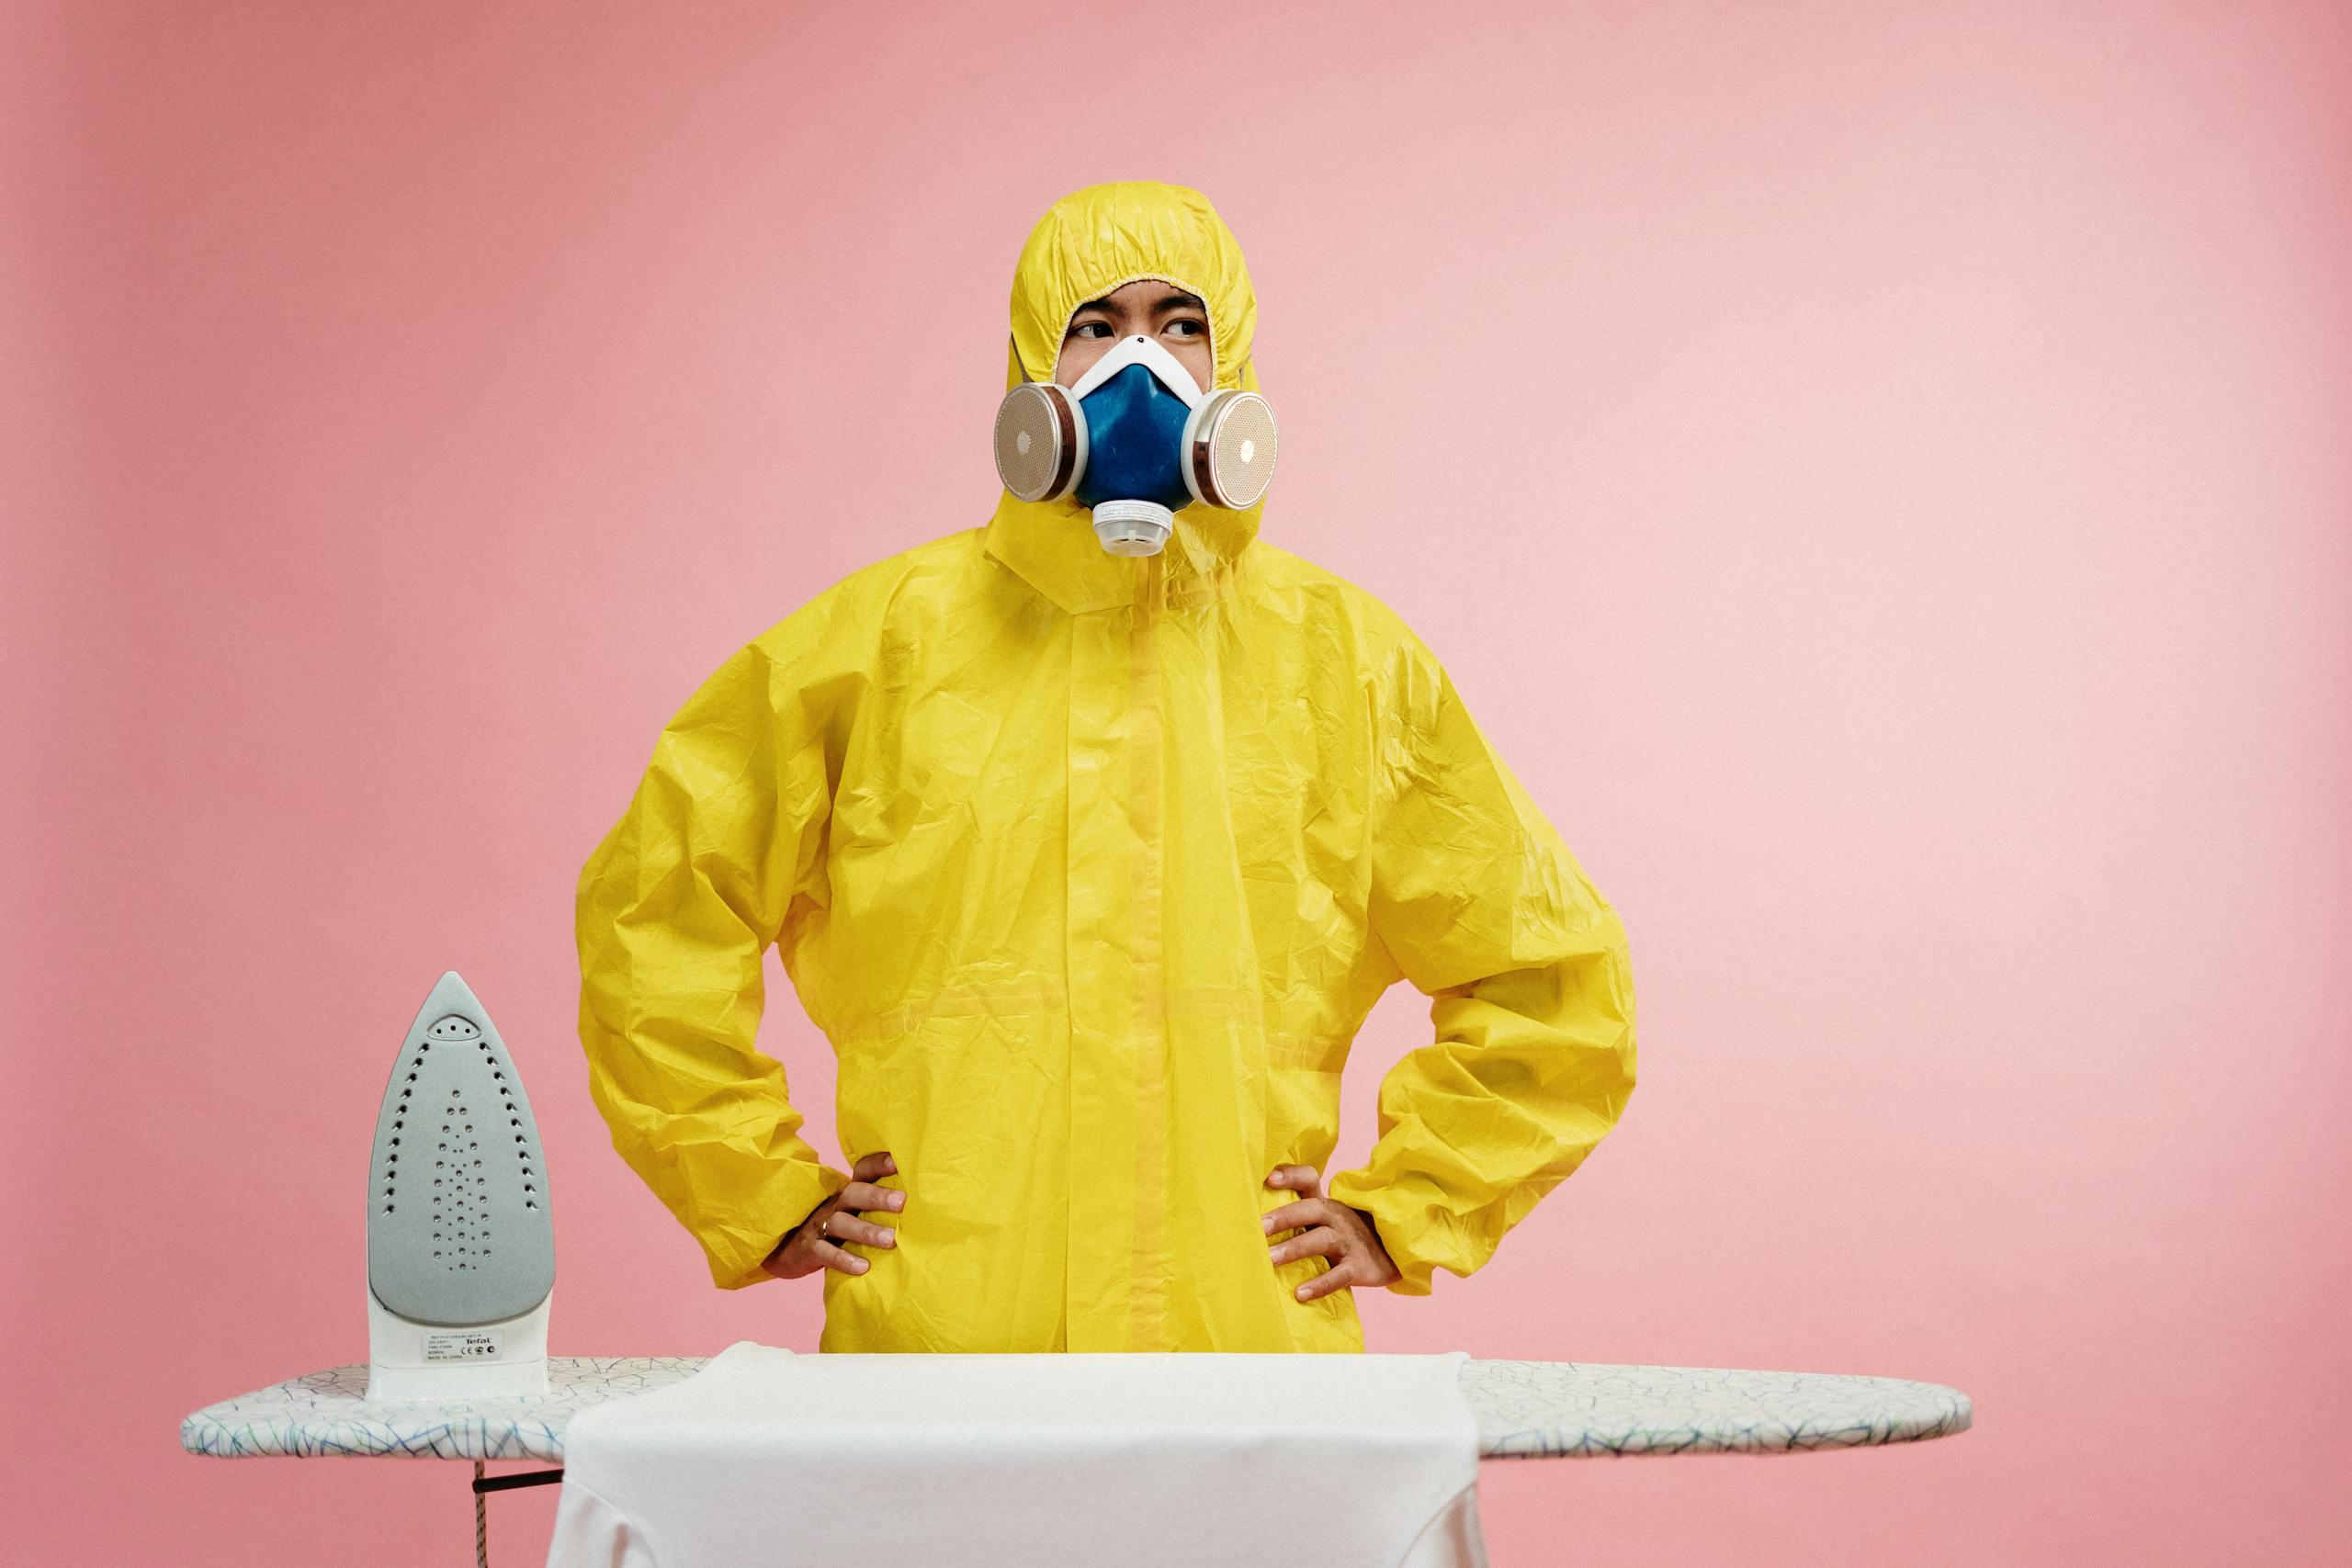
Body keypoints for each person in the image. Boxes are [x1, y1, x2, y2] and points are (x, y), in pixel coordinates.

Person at [574, 180, 1637, 1354]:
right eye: (1098, 325)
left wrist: (1408, 1210)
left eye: (1182, 326)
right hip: (943, 1340)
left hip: (1242, 1339)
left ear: (1232, 371)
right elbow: (656, 908)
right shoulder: (872, 649)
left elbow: (1550, 980)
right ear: (1033, 364)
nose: (1142, 364)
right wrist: (757, 1190)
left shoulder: (1347, 662)